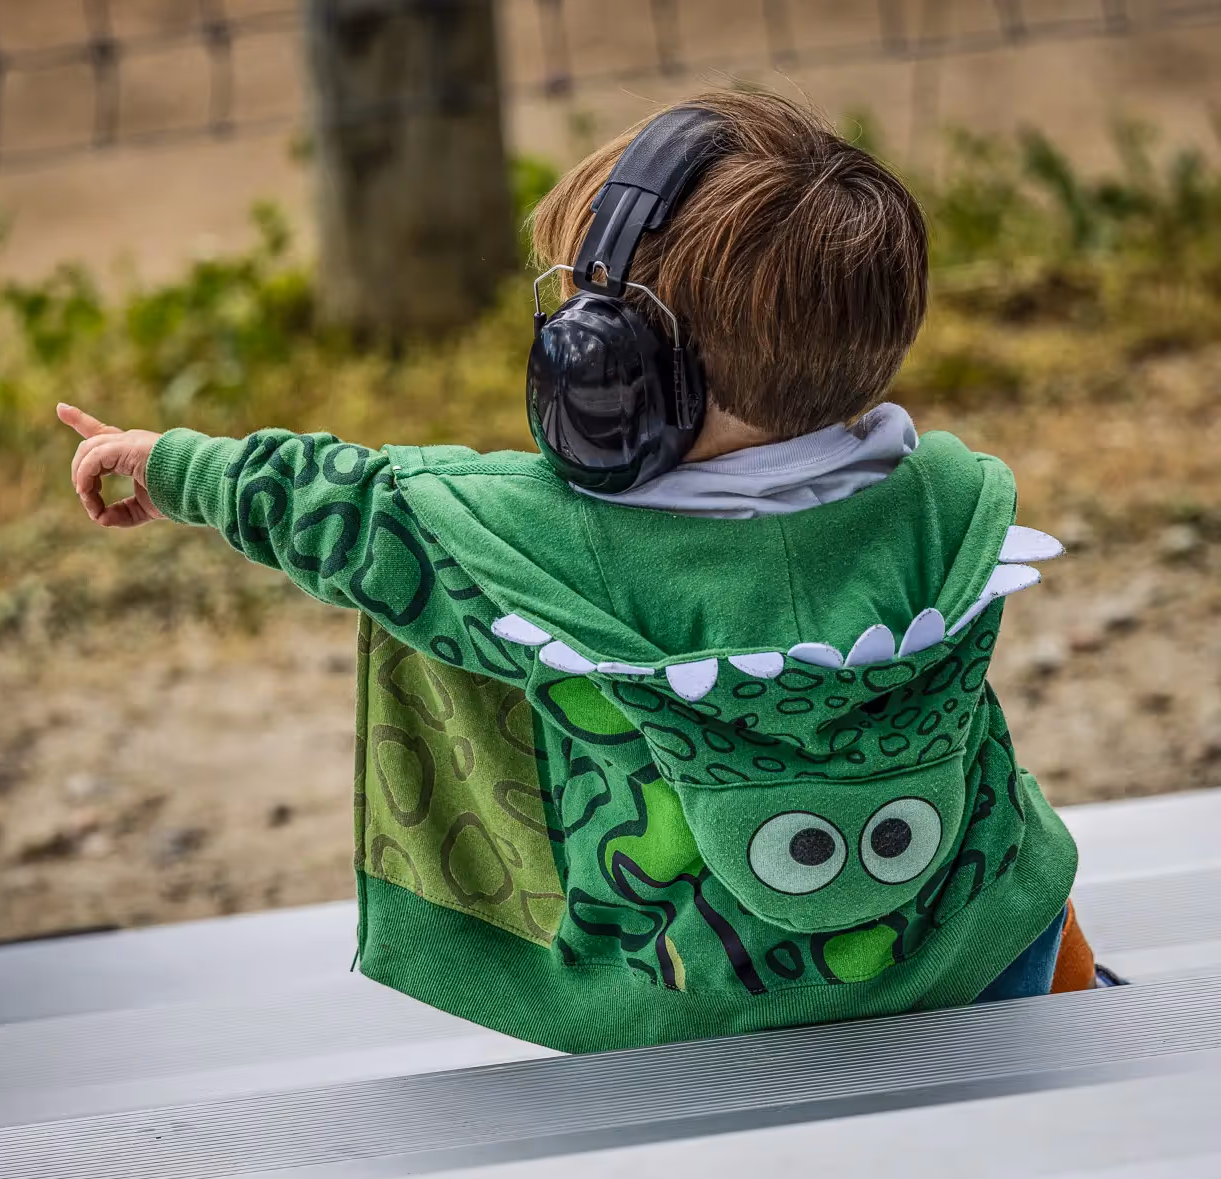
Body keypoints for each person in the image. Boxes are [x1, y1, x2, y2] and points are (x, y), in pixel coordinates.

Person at [58, 90, 1105, 1054]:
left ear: (608, 368)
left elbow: (345, 507)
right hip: (990, 956)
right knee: (1023, 889)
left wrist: (175, 466)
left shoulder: (532, 546)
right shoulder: (952, 502)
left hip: (689, 1019)